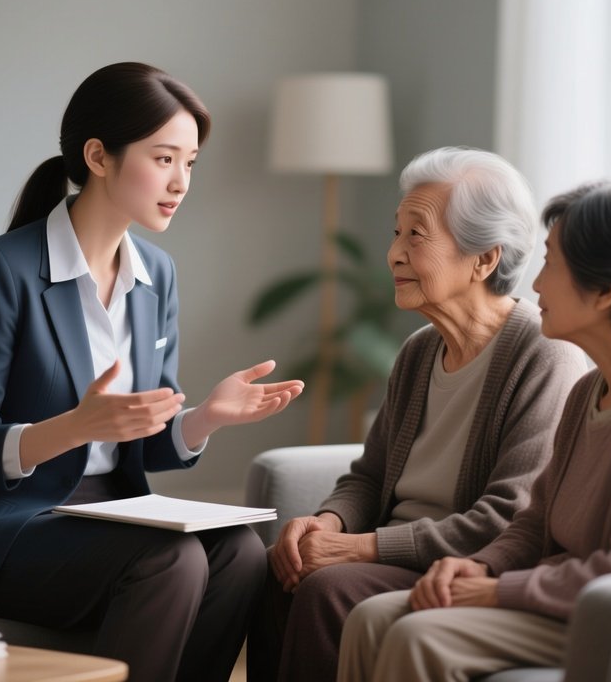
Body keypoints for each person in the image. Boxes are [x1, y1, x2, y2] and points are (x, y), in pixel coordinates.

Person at [0, 62, 304, 682]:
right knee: (172, 562)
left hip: (110, 515)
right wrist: (73, 426)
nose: (181, 182)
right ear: (98, 156)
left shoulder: (156, 275)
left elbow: (139, 437)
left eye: (190, 163)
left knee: (243, 555)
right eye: (164, 159)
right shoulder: (0, 271)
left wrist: (203, 420)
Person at [248, 147, 589, 681]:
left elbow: (506, 518)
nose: (394, 255)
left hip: (458, 569)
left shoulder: (546, 358)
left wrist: (359, 548)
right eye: (396, 233)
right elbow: (369, 477)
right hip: (388, 556)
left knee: (329, 587)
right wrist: (329, 521)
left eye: (417, 235)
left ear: (484, 259)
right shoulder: (419, 350)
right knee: (275, 569)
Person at [337, 178, 611, 682]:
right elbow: (533, 523)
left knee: (419, 636)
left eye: (553, 264)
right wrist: (481, 565)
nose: (536, 284)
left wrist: (498, 590)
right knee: (370, 619)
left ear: (606, 291)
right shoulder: (589, 391)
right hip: (565, 595)